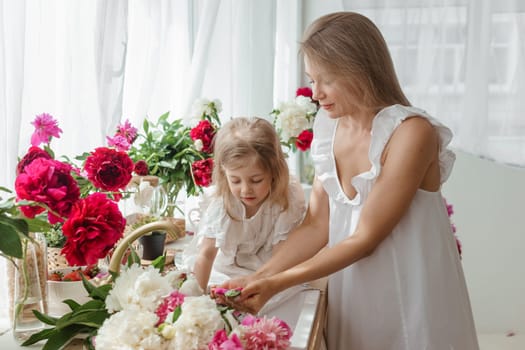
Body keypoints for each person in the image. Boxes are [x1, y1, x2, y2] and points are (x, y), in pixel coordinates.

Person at [218, 12, 480, 349]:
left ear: (360, 70)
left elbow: (366, 237)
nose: (315, 93)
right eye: (312, 80)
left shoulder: (412, 133)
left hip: (413, 297)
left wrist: (278, 283)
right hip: (355, 297)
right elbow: (317, 224)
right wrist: (259, 277)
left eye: (326, 80)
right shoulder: (331, 130)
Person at [182, 116, 306, 314]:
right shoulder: (223, 202)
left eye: (256, 180)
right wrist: (195, 301)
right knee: (217, 299)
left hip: (269, 268)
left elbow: (282, 256)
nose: (246, 190)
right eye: (235, 180)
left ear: (273, 172)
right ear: (224, 173)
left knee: (280, 301)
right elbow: (206, 255)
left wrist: (258, 283)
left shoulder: (285, 198)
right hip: (227, 268)